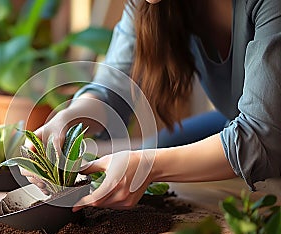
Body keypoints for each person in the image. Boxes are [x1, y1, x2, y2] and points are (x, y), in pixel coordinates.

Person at [26, 0, 281, 211]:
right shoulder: (149, 5)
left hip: (269, 134)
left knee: (150, 163)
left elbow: (261, 137)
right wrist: (68, 119)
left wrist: (149, 166)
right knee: (152, 152)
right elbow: (113, 88)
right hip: (239, 121)